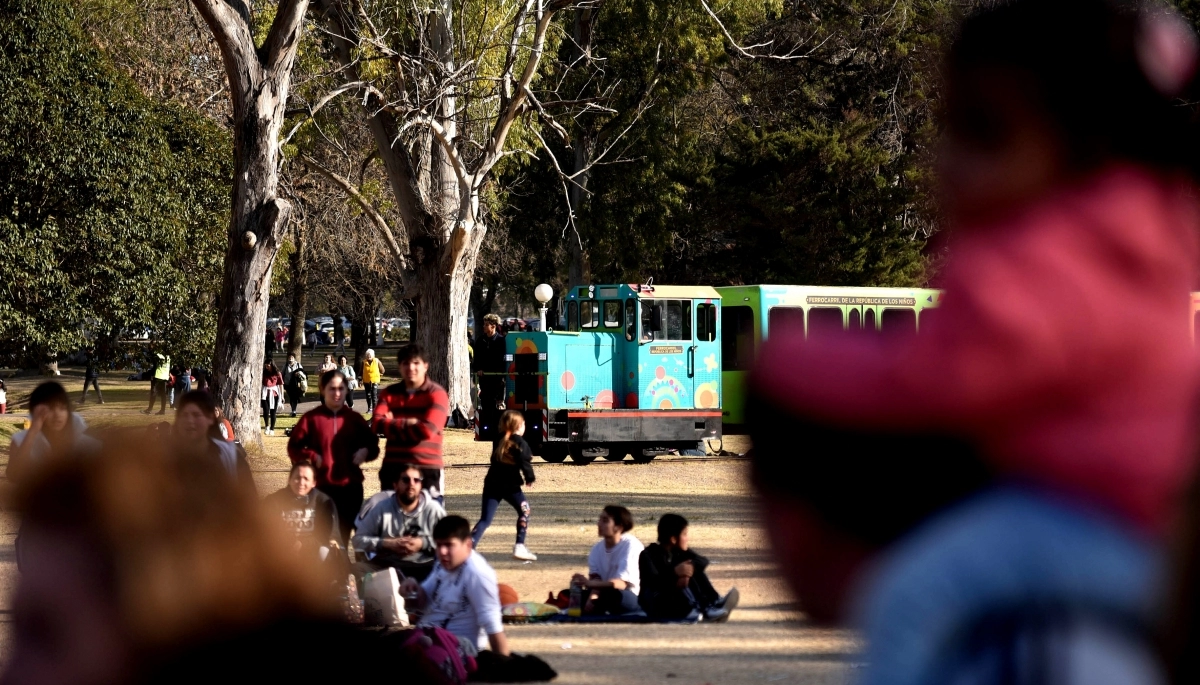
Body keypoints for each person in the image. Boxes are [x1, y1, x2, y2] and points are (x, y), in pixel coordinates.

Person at [751, 2, 1200, 683]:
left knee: (912, 595)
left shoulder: (1055, 252)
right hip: (1129, 518)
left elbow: (943, 372)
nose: (951, 164)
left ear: (1082, 142)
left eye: (986, 135)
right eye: (951, 131)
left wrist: (791, 359)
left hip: (1078, 514)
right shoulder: (1133, 232)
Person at [287, 369, 379, 544]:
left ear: (346, 390)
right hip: (321, 488)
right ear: (323, 390)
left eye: (341, 389)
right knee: (321, 538)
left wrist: (365, 452)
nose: (337, 393)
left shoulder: (354, 419)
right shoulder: (311, 418)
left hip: (350, 488)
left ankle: (340, 570)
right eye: (332, 389)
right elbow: (294, 447)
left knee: (342, 539)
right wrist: (311, 456)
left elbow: (373, 445)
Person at [401, 515, 509, 657]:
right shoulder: (442, 565)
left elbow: (493, 626)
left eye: (449, 545)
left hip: (457, 650)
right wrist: (411, 589)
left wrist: (504, 665)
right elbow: (422, 601)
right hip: (428, 636)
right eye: (439, 545)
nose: (442, 552)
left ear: (468, 544)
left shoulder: (477, 574)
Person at [372, 344, 449, 503]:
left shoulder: (437, 394)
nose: (411, 368)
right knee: (392, 524)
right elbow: (377, 424)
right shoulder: (389, 393)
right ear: (400, 367)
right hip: (393, 467)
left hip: (427, 468)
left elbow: (427, 430)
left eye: (416, 363)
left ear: (425, 366)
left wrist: (393, 422)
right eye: (405, 363)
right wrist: (412, 423)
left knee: (429, 524)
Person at [352, 463, 445, 581]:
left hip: (424, 566)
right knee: (355, 570)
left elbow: (450, 542)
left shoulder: (433, 510)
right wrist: (388, 544)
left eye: (416, 480)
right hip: (387, 565)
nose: (411, 484)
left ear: (421, 485)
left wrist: (422, 543)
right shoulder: (381, 508)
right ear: (395, 485)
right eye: (406, 480)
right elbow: (358, 541)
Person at [638, 514, 738, 622]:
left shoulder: (680, 553)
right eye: (685, 534)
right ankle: (702, 609)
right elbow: (655, 583)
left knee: (692, 567)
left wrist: (687, 571)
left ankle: (713, 602)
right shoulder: (648, 554)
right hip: (656, 603)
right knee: (686, 569)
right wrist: (675, 573)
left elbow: (703, 561)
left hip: (674, 599)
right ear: (673, 539)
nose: (688, 538)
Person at [471, 410, 537, 561]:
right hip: (510, 485)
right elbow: (524, 462)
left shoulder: (499, 439)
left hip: (491, 484)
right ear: (519, 426)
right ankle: (519, 546)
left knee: (485, 519)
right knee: (525, 511)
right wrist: (530, 478)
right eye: (524, 424)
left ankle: (467, 546)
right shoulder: (521, 443)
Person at [7, 381, 99, 485]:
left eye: (62, 408)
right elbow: (14, 475)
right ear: (36, 411)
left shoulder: (85, 444)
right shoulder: (20, 440)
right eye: (50, 408)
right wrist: (32, 432)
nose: (57, 415)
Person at [173, 390, 255, 495]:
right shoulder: (164, 457)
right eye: (184, 415)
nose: (189, 420)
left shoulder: (230, 457)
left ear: (210, 418)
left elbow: (249, 501)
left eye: (196, 415)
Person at [264, 461, 341, 564]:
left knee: (329, 549)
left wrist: (302, 544)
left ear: (314, 483)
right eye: (297, 478)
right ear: (289, 480)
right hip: (280, 554)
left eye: (306, 479)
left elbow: (328, 536)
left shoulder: (324, 502)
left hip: (314, 556)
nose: (301, 482)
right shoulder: (273, 501)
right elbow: (266, 533)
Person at [573, 505, 643, 616]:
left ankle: (602, 608)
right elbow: (596, 580)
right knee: (572, 595)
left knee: (615, 596)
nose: (599, 524)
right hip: (605, 594)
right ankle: (599, 607)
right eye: (600, 520)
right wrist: (592, 597)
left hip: (629, 595)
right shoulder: (596, 549)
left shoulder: (631, 545)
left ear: (619, 527)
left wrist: (589, 583)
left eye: (605, 521)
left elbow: (622, 584)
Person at [473, 315, 507, 439]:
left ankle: (499, 430)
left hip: (498, 381)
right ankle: (488, 430)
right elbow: (476, 360)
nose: (484, 327)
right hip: (485, 381)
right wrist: (478, 370)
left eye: (486, 325)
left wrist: (499, 373)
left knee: (498, 408)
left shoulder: (501, 341)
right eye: (484, 324)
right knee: (486, 405)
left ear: (493, 326)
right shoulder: (480, 341)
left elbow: (503, 361)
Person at [261, 360, 284, 436]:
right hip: (265, 394)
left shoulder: (277, 373)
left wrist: (282, 396)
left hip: (274, 394)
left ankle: (272, 428)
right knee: (266, 411)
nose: (267, 367)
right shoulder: (264, 373)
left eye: (268, 365)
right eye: (266, 366)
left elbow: (280, 384)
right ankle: (267, 426)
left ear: (272, 365)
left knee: (273, 412)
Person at [361, 348, 385, 413]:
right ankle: (369, 409)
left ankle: (375, 409)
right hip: (366, 381)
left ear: (373, 355)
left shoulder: (377, 361)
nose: (369, 356)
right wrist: (360, 379)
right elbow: (361, 371)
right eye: (368, 355)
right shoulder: (364, 362)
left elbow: (382, 370)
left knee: (374, 395)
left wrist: (380, 375)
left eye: (370, 355)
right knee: (368, 395)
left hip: (375, 381)